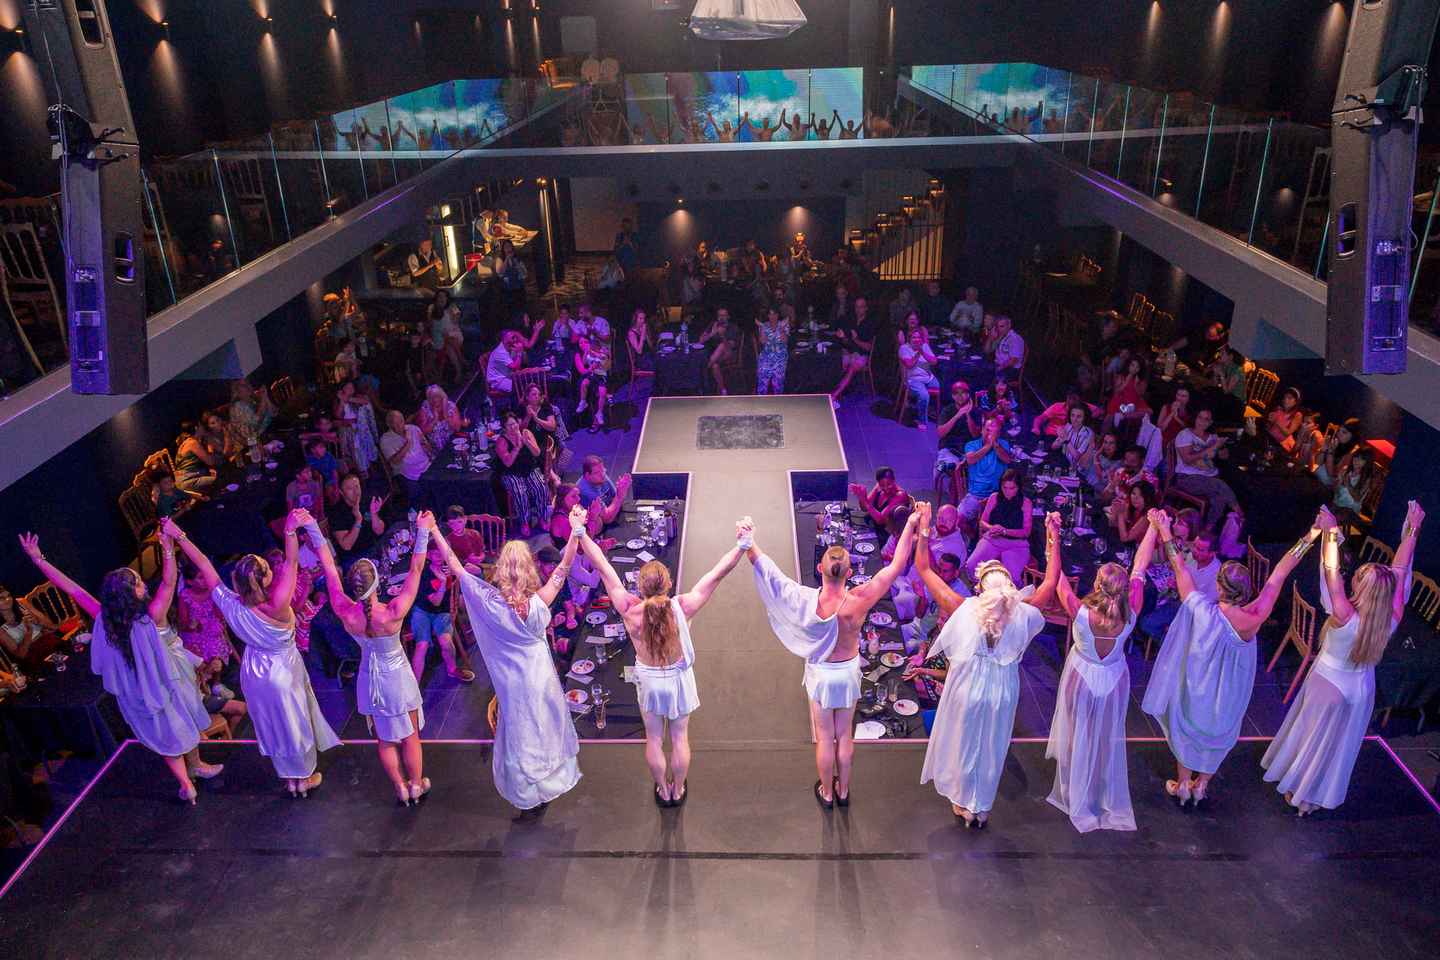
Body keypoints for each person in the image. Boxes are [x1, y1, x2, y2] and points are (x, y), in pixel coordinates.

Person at [19, 530, 221, 803]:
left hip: (136, 692)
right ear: (129, 594)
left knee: (166, 735)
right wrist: (168, 547)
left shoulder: (104, 618)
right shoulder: (151, 616)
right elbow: (169, 580)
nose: (143, 583)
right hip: (164, 683)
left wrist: (39, 560)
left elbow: (73, 590)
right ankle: (193, 770)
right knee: (181, 724)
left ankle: (187, 781)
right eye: (137, 582)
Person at [1142, 508, 1319, 806]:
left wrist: (1163, 529)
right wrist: (1311, 536)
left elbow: (1178, 565)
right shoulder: (1255, 617)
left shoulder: (1200, 608)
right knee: (1217, 736)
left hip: (1199, 688)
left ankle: (1184, 784)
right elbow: (1280, 573)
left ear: (1219, 586)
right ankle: (1202, 785)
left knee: (1188, 731)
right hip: (1228, 694)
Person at [748, 511, 922, 807]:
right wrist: (911, 522)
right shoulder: (860, 599)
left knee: (825, 737)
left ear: (820, 568)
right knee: (845, 735)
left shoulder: (805, 600)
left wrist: (748, 542)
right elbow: (897, 564)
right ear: (850, 573)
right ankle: (844, 791)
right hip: (848, 672)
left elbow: (770, 573)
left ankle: (827, 793)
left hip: (822, 675)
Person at [425, 506, 589, 818]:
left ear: (501, 569)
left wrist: (433, 529)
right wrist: (576, 531)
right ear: (529, 569)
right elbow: (564, 566)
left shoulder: (490, 605)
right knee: (543, 728)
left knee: (519, 735)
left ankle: (529, 795)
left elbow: (455, 566)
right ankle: (545, 780)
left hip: (512, 683)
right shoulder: (539, 603)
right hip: (539, 677)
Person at [1262, 502, 1424, 815]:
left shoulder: (1344, 613)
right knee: (1336, 747)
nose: (1355, 578)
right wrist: (1413, 531)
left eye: (1359, 577)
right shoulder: (1392, 616)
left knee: (1312, 739)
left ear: (1363, 589)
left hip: (1328, 683)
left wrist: (1331, 533)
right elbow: (1401, 569)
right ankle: (1311, 799)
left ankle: (1298, 791)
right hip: (1360, 690)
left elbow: (1331, 570)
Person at [168, 512, 339, 796]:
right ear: (266, 577)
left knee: (274, 725)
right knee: (294, 723)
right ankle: (303, 779)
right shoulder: (278, 604)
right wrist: (289, 531)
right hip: (282, 670)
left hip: (254, 673)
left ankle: (289, 778)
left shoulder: (229, 603)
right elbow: (292, 561)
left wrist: (179, 536)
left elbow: (204, 564)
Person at [579, 523, 746, 806]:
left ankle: (662, 789)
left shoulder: (629, 610)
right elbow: (717, 573)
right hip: (678, 680)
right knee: (680, 738)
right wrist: (742, 544)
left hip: (649, 681)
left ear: (640, 586)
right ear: (667, 584)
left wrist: (580, 533)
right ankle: (677, 790)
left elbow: (603, 567)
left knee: (654, 740)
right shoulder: (683, 606)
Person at [913, 502, 1057, 827]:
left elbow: (923, 567)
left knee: (965, 742)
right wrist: (1053, 539)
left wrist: (924, 526)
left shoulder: (963, 607)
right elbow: (1050, 583)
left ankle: (964, 802)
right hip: (1003, 689)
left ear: (980, 587)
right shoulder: (1023, 614)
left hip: (968, 686)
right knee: (992, 746)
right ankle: (982, 807)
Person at [1044, 517, 1158, 832]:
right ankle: (1098, 785)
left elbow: (1057, 577)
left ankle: (1074, 786)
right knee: (1105, 735)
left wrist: (1053, 535)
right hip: (1113, 678)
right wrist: (1153, 527)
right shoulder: (1131, 611)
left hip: (1081, 675)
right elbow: (1140, 566)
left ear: (1097, 586)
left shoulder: (1082, 613)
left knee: (1074, 730)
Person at [314, 511, 432, 805]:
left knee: (385, 739)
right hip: (396, 677)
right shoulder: (392, 612)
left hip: (370, 678)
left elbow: (330, 571)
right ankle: (416, 784)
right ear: (376, 583)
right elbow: (416, 569)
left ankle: (400, 787)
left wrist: (314, 531)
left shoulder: (346, 611)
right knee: (410, 735)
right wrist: (423, 531)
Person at [1172, 407, 1241, 533]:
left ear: (1210, 422)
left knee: (1219, 496)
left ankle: (1206, 530)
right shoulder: (1185, 435)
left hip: (1209, 477)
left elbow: (1223, 456)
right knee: (1220, 485)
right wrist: (1212, 448)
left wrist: (1222, 450)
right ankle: (1240, 515)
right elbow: (1187, 460)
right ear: (1195, 418)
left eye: (1206, 419)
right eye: (1200, 418)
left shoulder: (1213, 437)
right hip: (1187, 478)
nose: (1202, 421)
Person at [965, 469, 1033, 584]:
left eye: (1012, 488)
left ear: (1018, 487)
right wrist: (991, 528)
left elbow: (1026, 532)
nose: (1007, 492)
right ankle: (983, 589)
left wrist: (1005, 531)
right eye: (1004, 488)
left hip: (1016, 544)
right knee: (971, 565)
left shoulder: (1026, 503)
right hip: (993, 539)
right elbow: (982, 522)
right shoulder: (994, 498)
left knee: (1010, 578)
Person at [494, 411, 549, 537]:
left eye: (514, 423)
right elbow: (508, 463)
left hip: (529, 468)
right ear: (504, 428)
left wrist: (527, 442)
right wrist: (517, 447)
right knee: (520, 492)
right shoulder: (501, 441)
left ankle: (542, 517)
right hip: (511, 473)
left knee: (540, 487)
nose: (513, 427)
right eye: (509, 425)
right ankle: (524, 522)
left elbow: (537, 453)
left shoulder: (526, 432)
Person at [959, 415, 1014, 527]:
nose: (990, 434)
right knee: (958, 519)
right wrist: (988, 446)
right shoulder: (972, 445)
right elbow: (970, 459)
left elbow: (1007, 459)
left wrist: (995, 445)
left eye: (994, 432)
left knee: (1007, 522)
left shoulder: (1003, 444)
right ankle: (973, 533)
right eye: (988, 430)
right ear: (982, 430)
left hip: (998, 495)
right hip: (976, 495)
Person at [326, 474, 387, 568]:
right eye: (350, 489)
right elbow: (347, 545)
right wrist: (358, 520)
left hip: (374, 548)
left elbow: (379, 531)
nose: (356, 491)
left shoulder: (367, 500)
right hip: (354, 558)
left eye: (357, 486)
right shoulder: (336, 513)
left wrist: (374, 514)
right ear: (341, 492)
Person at [380, 409, 434, 507]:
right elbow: (395, 461)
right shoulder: (385, 440)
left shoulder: (413, 429)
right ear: (389, 425)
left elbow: (427, 447)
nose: (400, 425)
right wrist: (408, 443)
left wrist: (427, 447)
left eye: (401, 421)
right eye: (396, 423)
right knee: (419, 497)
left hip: (426, 465)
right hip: (406, 473)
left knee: (439, 484)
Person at [829, 295, 877, 406]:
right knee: (836, 361)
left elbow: (868, 347)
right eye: (856, 307)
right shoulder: (851, 320)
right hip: (851, 352)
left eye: (861, 307)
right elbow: (848, 342)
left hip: (862, 355)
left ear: (866, 308)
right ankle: (834, 391)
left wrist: (855, 340)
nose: (858, 309)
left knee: (851, 367)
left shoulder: (870, 323)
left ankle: (834, 396)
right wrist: (842, 337)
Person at [333, 380, 379, 475]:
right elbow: (338, 416)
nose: (350, 389)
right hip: (349, 430)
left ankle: (371, 471)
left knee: (366, 450)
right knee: (355, 453)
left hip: (362, 428)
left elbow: (365, 402)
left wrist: (347, 398)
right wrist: (341, 401)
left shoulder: (358, 397)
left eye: (352, 387)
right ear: (342, 389)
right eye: (347, 387)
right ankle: (361, 473)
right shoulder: (338, 401)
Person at [936, 381, 978, 483]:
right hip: (949, 448)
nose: (960, 396)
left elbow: (976, 435)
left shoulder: (975, 411)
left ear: (968, 394)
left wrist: (968, 415)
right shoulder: (947, 410)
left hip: (968, 450)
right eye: (956, 393)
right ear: (952, 396)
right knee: (947, 469)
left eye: (963, 392)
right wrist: (957, 415)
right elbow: (940, 433)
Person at [899, 328, 940, 429]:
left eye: (919, 337)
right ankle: (922, 421)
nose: (916, 340)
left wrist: (923, 351)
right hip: (913, 379)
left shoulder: (925, 346)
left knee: (941, 387)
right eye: (914, 337)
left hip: (928, 377)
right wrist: (918, 353)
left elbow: (934, 361)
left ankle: (933, 412)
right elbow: (909, 365)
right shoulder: (904, 348)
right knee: (924, 394)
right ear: (909, 339)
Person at [849, 467, 908, 534]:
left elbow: (880, 520)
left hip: (888, 532)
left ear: (894, 480)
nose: (886, 488)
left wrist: (865, 500)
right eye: (882, 485)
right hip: (874, 524)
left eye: (889, 484)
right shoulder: (878, 486)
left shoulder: (900, 495)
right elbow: (864, 508)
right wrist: (861, 497)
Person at [571, 333, 612, 430]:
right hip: (586, 377)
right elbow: (583, 370)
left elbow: (606, 363)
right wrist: (591, 367)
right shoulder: (579, 354)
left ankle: (598, 416)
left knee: (600, 391)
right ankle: (585, 406)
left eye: (585, 342)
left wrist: (597, 355)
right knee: (585, 385)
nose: (583, 344)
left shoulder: (598, 351)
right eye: (580, 343)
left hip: (599, 376)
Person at [576, 455, 632, 524]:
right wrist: (620, 496)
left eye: (603, 470)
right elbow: (607, 519)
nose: (602, 475)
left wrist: (620, 493)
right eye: (597, 473)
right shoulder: (586, 492)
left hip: (610, 512)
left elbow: (615, 496)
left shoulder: (601, 476)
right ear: (587, 475)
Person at [698, 307, 741, 396]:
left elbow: (731, 345)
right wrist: (712, 334)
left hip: (729, 354)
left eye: (724, 315)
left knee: (722, 346)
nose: (721, 318)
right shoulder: (713, 325)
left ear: (728, 317)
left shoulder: (732, 327)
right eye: (719, 315)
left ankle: (705, 369)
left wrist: (722, 336)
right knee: (715, 366)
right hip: (715, 355)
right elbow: (701, 341)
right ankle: (723, 390)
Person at [427, 291, 465, 385]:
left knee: (449, 345)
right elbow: (430, 324)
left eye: (444, 296)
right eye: (440, 296)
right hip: (437, 335)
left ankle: (459, 371)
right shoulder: (432, 307)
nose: (442, 298)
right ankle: (438, 377)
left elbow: (456, 322)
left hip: (453, 333)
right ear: (436, 298)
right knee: (436, 348)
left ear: (447, 298)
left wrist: (453, 314)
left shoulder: (452, 306)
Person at [174, 421, 223, 493]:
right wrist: (210, 446)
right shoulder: (193, 443)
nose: (203, 428)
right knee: (222, 481)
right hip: (189, 481)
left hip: (185, 480)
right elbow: (211, 462)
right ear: (196, 428)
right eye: (201, 426)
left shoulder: (186, 442)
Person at [754, 305, 790, 395]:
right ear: (768, 315)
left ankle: (778, 399)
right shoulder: (764, 325)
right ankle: (761, 399)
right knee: (762, 380)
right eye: (770, 314)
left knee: (778, 384)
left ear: (778, 315)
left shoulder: (783, 324)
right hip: (766, 355)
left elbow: (785, 340)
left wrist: (781, 329)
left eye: (774, 314)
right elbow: (762, 341)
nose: (772, 316)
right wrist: (762, 328)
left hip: (780, 355)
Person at [416, 384, 466, 450]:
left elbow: (457, 428)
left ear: (442, 396)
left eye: (437, 396)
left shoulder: (451, 406)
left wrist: (446, 415)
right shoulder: (425, 409)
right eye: (432, 397)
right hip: (435, 449)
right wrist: (434, 420)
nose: (435, 399)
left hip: (453, 444)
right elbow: (423, 432)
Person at [1265, 387, 1303, 451]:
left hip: (1279, 445)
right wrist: (1269, 421)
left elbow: (1287, 433)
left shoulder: (1297, 415)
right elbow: (1269, 427)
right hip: (1269, 439)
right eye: (1284, 397)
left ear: (1296, 402)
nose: (1286, 400)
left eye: (1289, 398)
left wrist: (1276, 421)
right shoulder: (1279, 409)